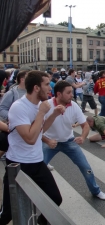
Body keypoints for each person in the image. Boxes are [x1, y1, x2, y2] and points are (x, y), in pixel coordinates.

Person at [0, 71, 63, 225]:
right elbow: (30, 138)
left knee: (55, 198)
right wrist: (42, 113)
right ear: (36, 88)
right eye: (47, 84)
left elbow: (40, 129)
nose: (50, 89)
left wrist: (53, 114)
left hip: (36, 161)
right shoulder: (19, 107)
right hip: (18, 164)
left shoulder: (40, 105)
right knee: (7, 214)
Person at [41, 81, 105, 200]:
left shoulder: (74, 105)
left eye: (72, 92)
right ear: (59, 94)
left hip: (69, 141)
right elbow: (37, 130)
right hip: (49, 142)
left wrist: (82, 137)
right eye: (68, 92)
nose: (72, 95)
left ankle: (96, 191)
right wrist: (46, 141)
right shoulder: (47, 106)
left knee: (86, 167)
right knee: (38, 168)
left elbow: (85, 125)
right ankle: (34, 195)